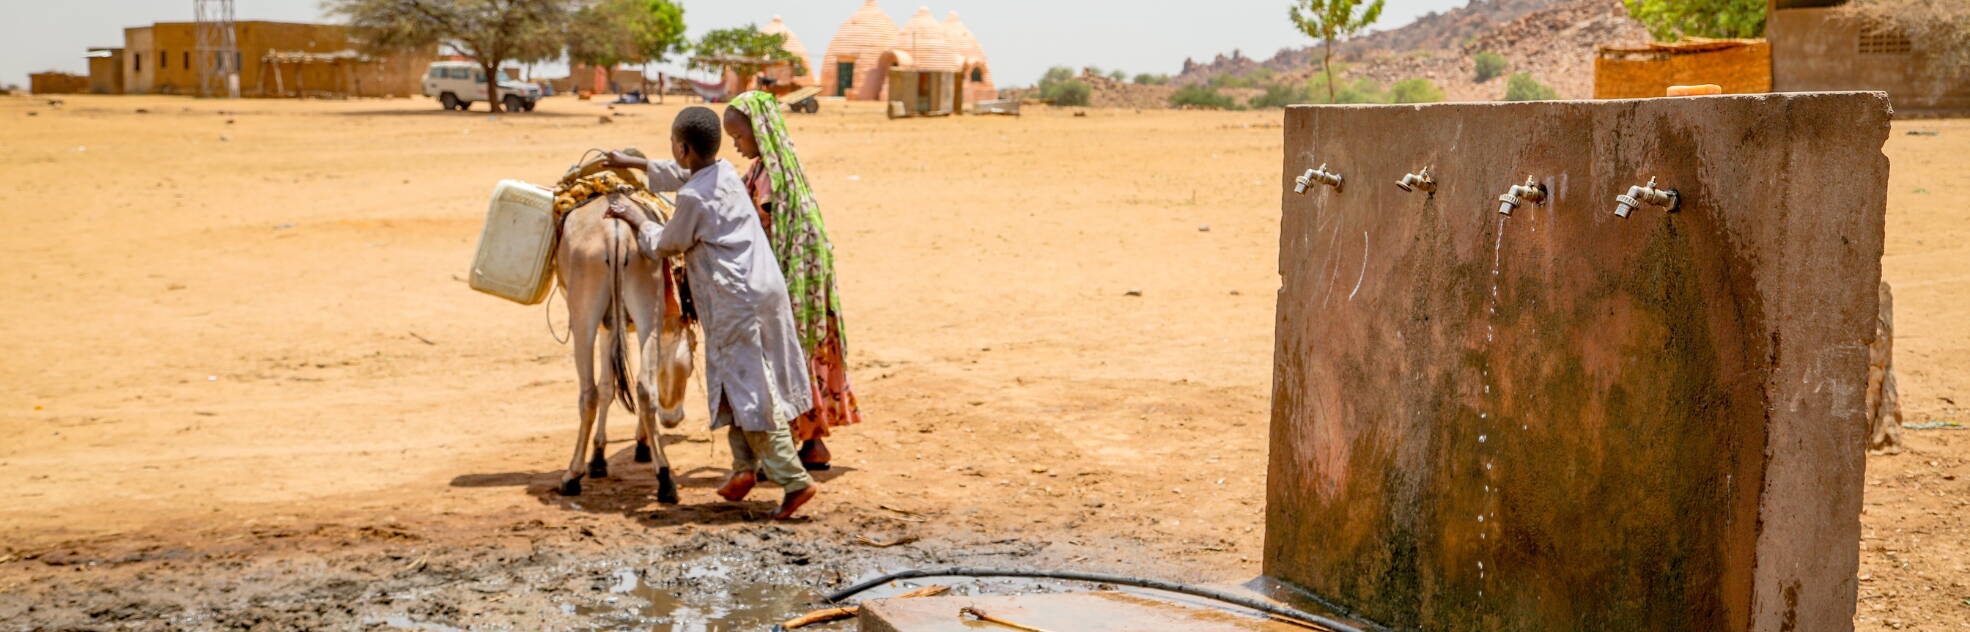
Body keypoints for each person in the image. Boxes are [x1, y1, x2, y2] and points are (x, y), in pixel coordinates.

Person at [601, 107, 818, 520]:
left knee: (753, 390)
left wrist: (635, 217)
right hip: (762, 288)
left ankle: (793, 480)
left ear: (682, 148)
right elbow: (685, 174)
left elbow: (666, 243)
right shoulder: (726, 177)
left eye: (673, 147)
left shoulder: (694, 197)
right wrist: (635, 163)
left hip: (734, 299)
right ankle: (743, 470)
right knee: (744, 381)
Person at [723, 90, 862, 471]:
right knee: (801, 351)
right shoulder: (770, 168)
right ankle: (813, 445)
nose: (737, 145)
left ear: (761, 132)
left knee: (785, 354)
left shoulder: (771, 178)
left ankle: (786, 452)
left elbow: (762, 229)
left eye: (740, 137)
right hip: (808, 276)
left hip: (793, 278)